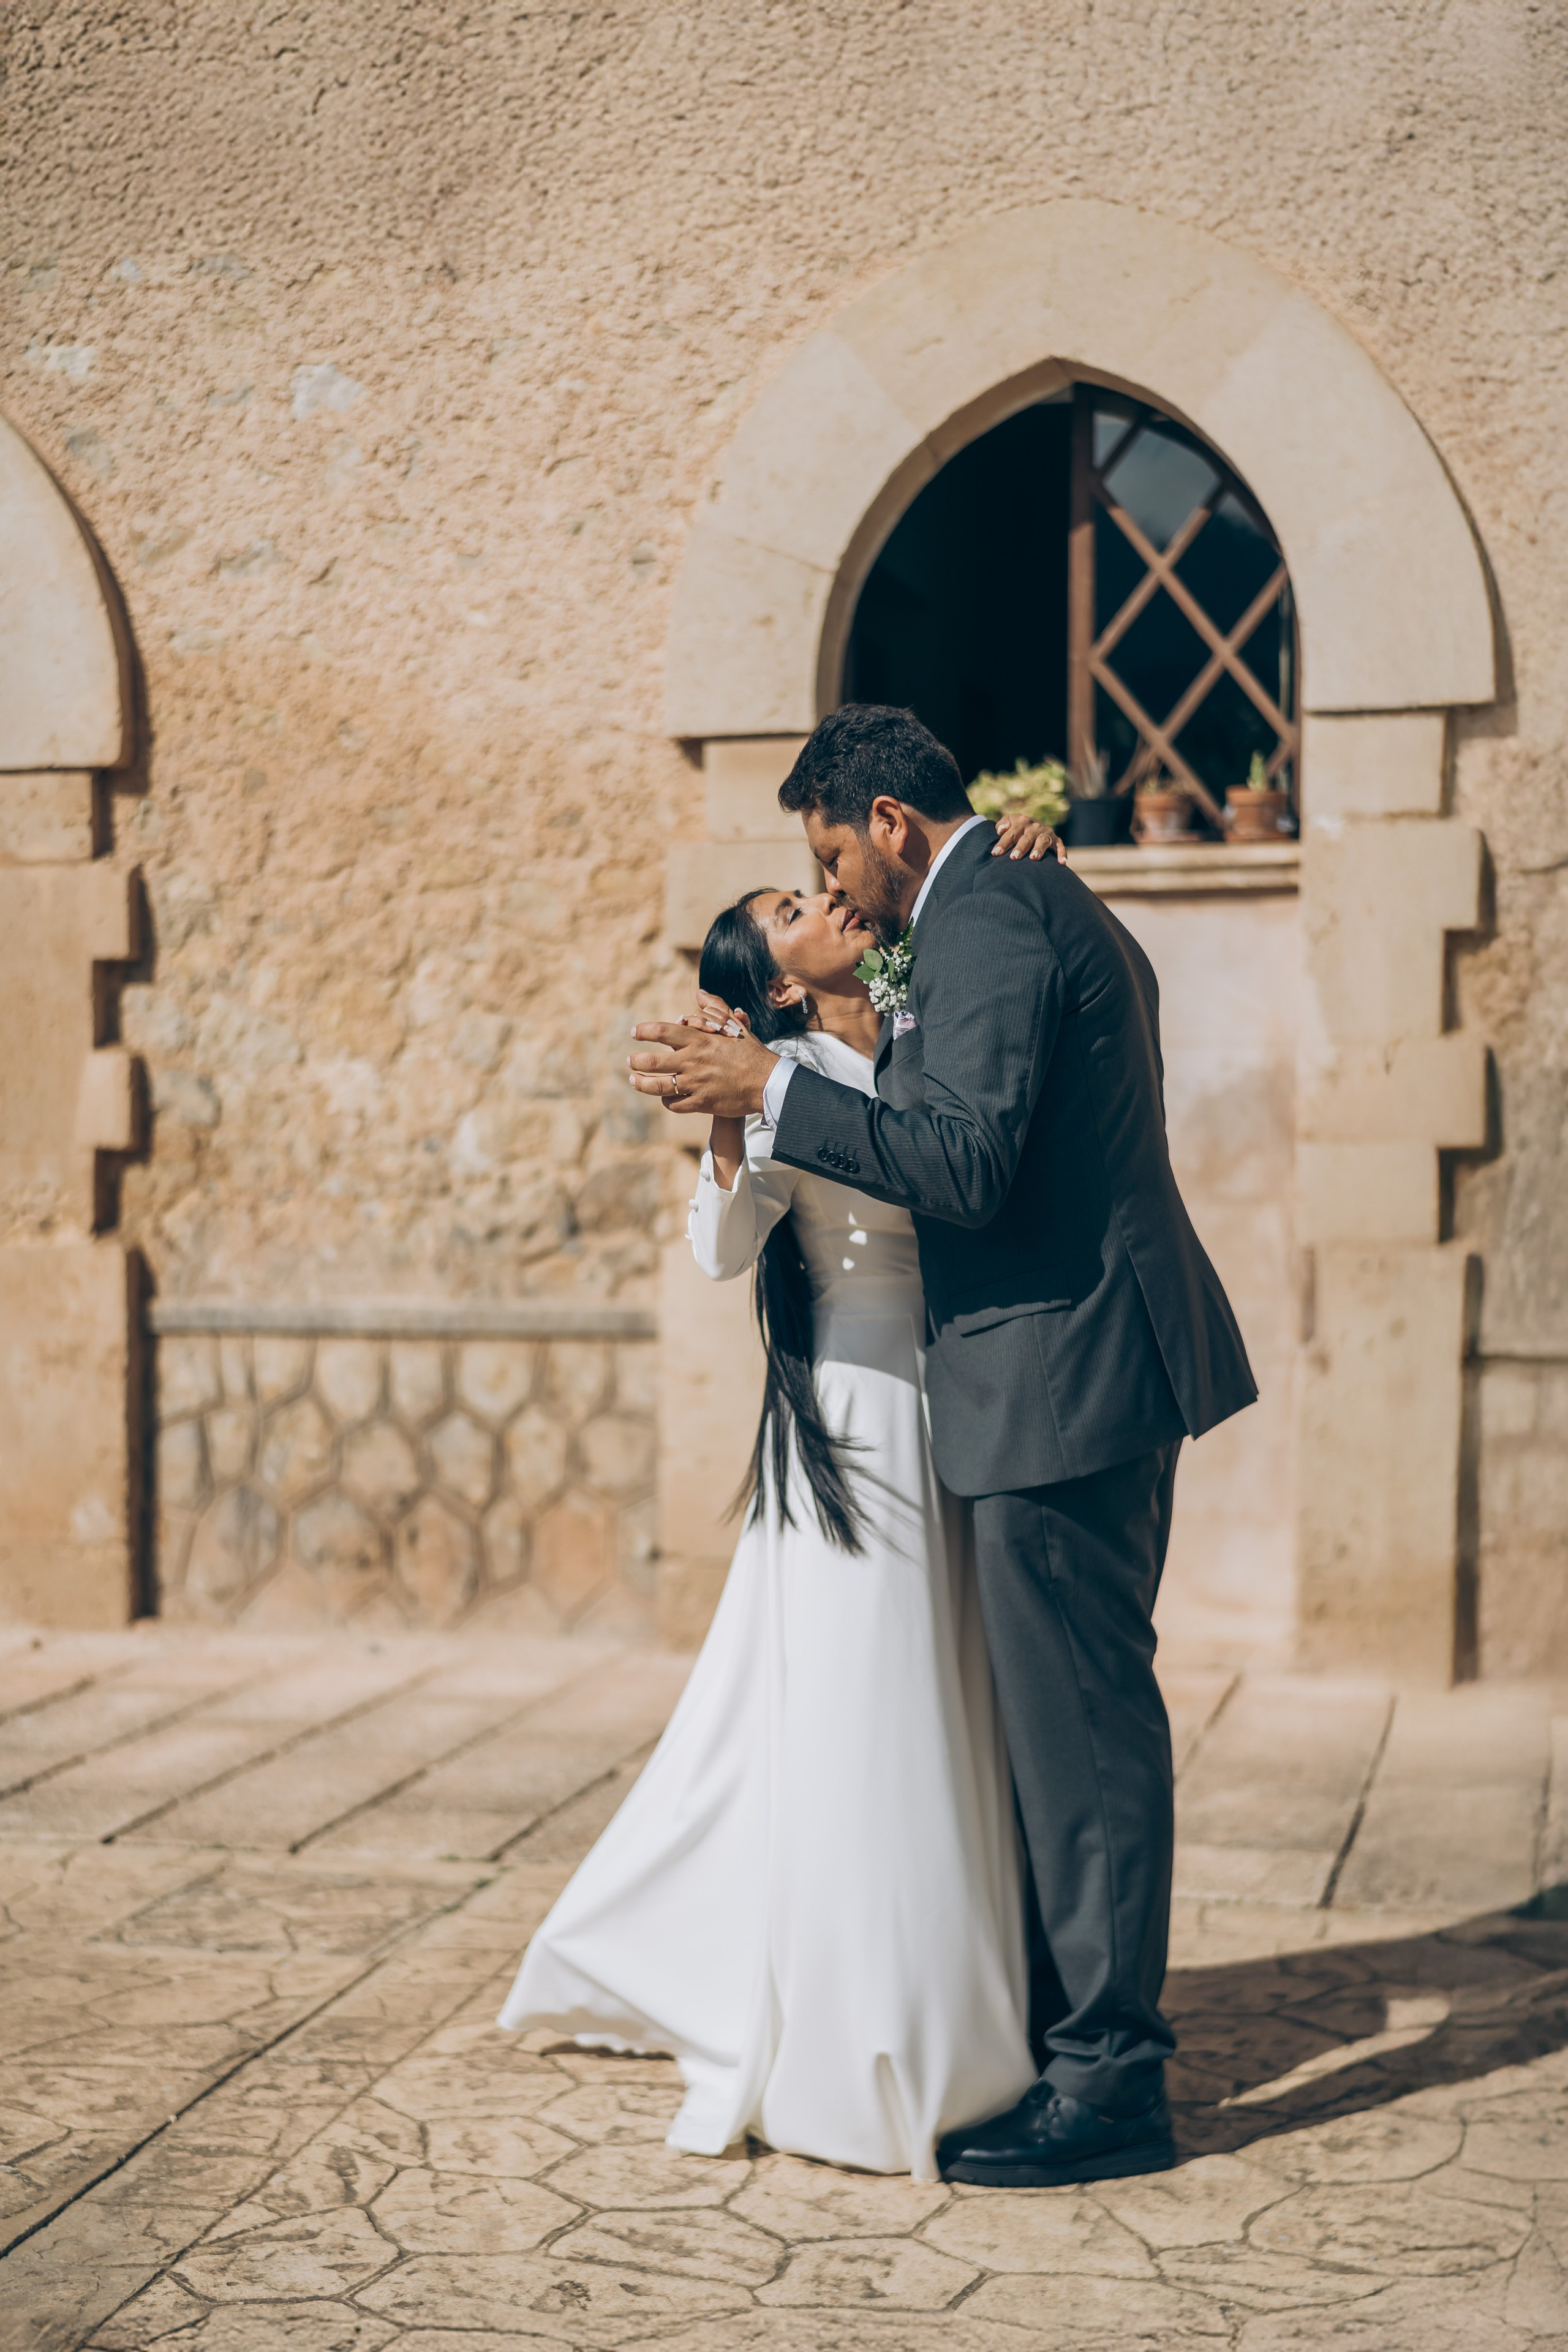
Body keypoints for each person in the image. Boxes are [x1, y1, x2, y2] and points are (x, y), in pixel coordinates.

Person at [629, 704, 1257, 2189]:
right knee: (1041, 1726)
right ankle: (1056, 2026)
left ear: (891, 823)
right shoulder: (1006, 899)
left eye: (831, 848)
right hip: (1056, 1371)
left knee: (1081, 1729)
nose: (834, 885)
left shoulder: (981, 921)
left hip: (1057, 1376)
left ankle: (1105, 2081)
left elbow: (965, 1163)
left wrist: (766, 1092)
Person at [498, 812, 1065, 2182]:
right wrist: (721, 1121)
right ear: (772, 976)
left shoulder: (918, 1012)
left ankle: (980, 1991)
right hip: (858, 1410)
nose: (830, 902)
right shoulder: (778, 1069)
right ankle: (867, 2024)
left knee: (956, 1683)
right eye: (796, 909)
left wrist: (1035, 848)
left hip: (958, 1391)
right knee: (873, 1693)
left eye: (823, 885)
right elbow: (715, 1253)